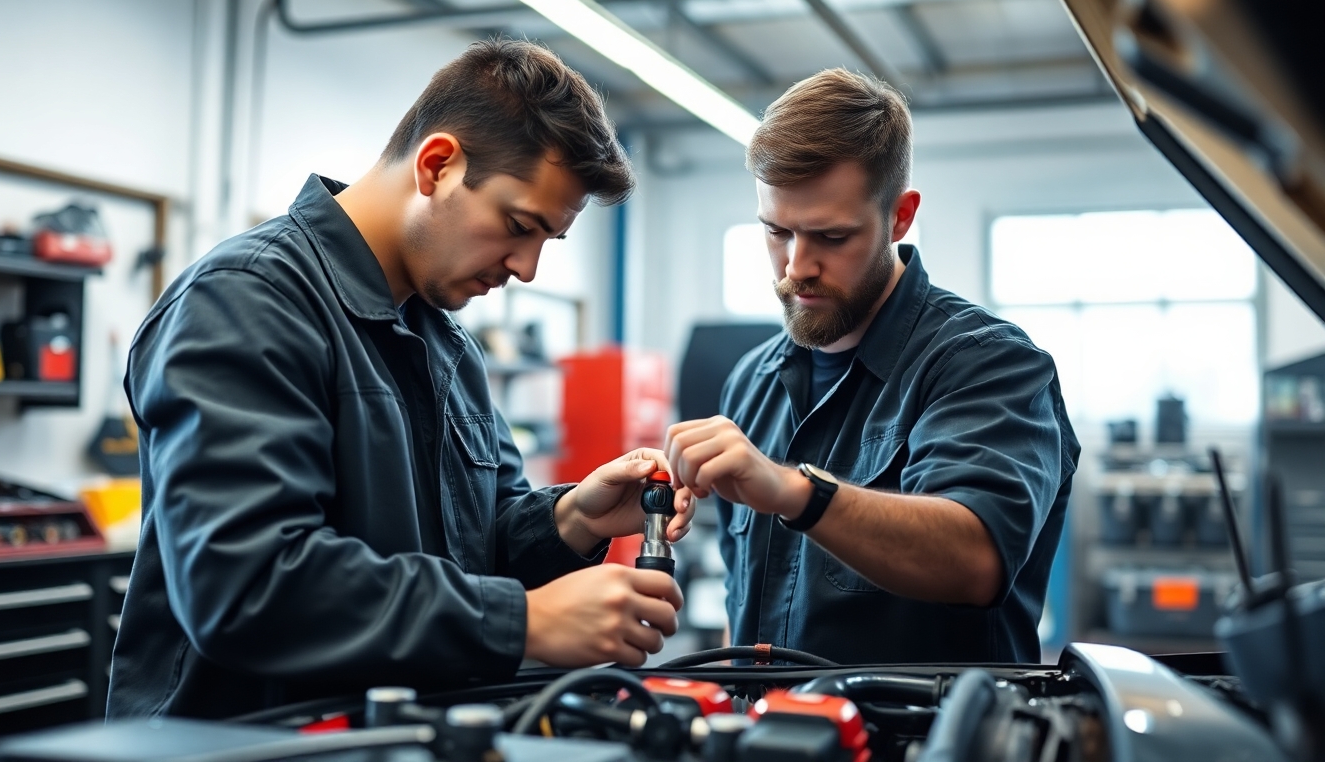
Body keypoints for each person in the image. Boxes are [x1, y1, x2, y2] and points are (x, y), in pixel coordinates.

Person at [109, 39, 694, 719]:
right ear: (437, 164)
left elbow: (477, 547)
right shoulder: (245, 302)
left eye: (546, 242)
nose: (528, 270)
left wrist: (574, 518)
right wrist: (521, 621)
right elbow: (245, 583)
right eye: (516, 226)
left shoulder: (446, 343)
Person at [664, 69, 1079, 665]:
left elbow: (975, 559)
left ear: (900, 217)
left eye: (831, 236)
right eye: (777, 231)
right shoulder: (751, 382)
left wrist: (795, 491)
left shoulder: (988, 363)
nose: (795, 267)